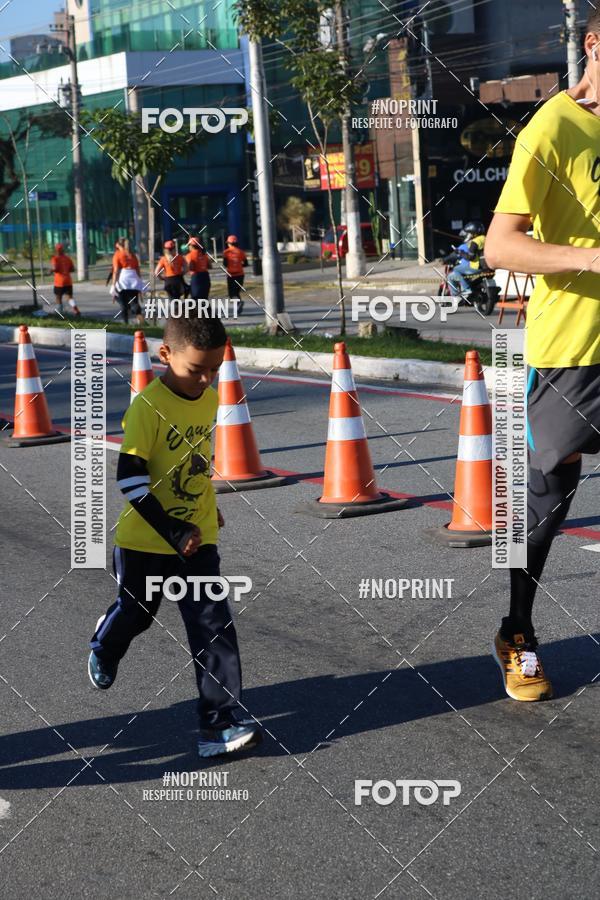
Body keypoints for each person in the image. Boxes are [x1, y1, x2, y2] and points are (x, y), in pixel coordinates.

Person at [484, 7, 600, 702]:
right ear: (594, 43)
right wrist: (589, 258)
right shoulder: (552, 127)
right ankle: (518, 630)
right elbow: (500, 246)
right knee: (546, 502)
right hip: (573, 351)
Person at [87, 314, 262, 758]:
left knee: (212, 624)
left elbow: (194, 461)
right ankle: (106, 645)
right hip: (145, 540)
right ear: (165, 354)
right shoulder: (147, 407)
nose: (205, 380)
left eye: (214, 369)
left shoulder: (209, 399)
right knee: (138, 613)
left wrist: (206, 507)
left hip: (198, 538)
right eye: (196, 369)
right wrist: (171, 528)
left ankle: (218, 725)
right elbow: (129, 478)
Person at [447, 222, 486, 298]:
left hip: (477, 267)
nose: (468, 235)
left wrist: (460, 252)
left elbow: (470, 257)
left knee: (456, 269)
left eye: (469, 233)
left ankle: (466, 289)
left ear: (473, 233)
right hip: (487, 266)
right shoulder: (485, 238)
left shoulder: (475, 242)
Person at [113, 239, 144, 325]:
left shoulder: (118, 255)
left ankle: (126, 322)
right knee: (134, 302)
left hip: (123, 282)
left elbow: (116, 271)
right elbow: (137, 270)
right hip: (134, 282)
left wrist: (113, 284)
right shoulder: (134, 256)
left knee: (123, 304)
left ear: (120, 245)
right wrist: (140, 282)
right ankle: (140, 320)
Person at [50, 243, 80, 316]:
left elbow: (55, 268)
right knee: (69, 297)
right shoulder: (67, 258)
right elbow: (72, 269)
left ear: (56, 250)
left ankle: (59, 311)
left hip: (59, 282)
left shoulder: (55, 258)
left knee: (58, 297)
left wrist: (51, 271)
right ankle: (76, 310)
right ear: (63, 250)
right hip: (68, 281)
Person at [222, 235, 248, 315]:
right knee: (236, 292)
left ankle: (239, 303)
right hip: (240, 275)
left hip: (231, 275)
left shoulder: (226, 252)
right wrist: (238, 265)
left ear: (229, 243)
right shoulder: (241, 252)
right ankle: (238, 305)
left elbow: (225, 264)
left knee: (232, 293)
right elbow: (246, 263)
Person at [186, 236, 212, 301]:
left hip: (196, 277)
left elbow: (191, 267)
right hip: (206, 276)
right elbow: (210, 266)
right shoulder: (204, 254)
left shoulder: (189, 255)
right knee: (204, 298)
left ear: (191, 246)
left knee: (195, 298)